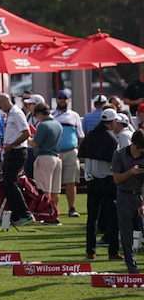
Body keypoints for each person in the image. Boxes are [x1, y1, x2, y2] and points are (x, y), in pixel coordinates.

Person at [79, 109, 121, 262]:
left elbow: (82, 156)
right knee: (113, 218)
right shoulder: (112, 139)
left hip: (92, 181)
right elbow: (115, 164)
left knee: (92, 218)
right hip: (109, 182)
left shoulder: (90, 136)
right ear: (113, 122)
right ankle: (113, 252)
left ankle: (90, 251)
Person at [0, 93, 33, 227]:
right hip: (11, 152)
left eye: (0, 106)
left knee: (10, 183)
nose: (1, 109)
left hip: (17, 151)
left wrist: (12, 145)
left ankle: (25, 214)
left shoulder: (16, 113)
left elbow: (26, 133)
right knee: (7, 183)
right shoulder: (11, 114)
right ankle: (16, 214)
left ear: (3, 103)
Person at [111, 129, 144, 274]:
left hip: (139, 196)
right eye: (139, 147)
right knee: (126, 236)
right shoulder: (119, 154)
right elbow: (116, 179)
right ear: (133, 143)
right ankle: (133, 270)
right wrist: (131, 172)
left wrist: (143, 204)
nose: (140, 150)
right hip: (124, 196)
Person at [51, 88, 82, 218]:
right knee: (54, 183)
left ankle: (71, 208)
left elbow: (80, 135)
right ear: (56, 100)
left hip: (71, 152)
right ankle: (53, 210)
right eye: (60, 98)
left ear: (68, 100)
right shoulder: (51, 115)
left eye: (65, 98)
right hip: (55, 152)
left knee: (71, 181)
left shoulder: (74, 116)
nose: (62, 101)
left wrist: (77, 150)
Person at [29, 102, 62, 218]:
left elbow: (36, 143)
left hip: (44, 157)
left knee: (44, 189)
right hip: (57, 157)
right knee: (55, 189)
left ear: (39, 113)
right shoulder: (58, 124)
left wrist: (28, 138)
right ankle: (54, 213)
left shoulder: (43, 125)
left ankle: (47, 213)